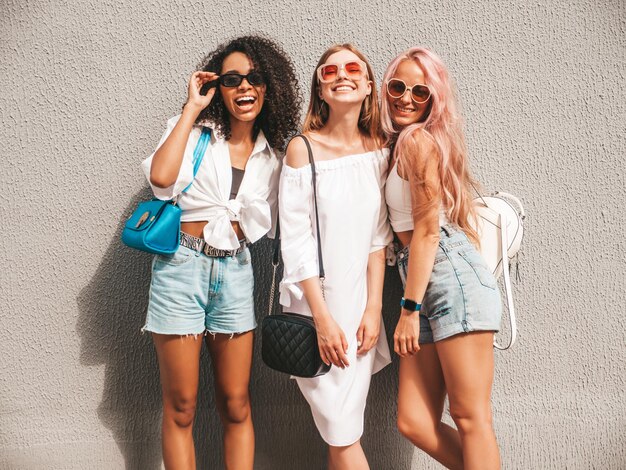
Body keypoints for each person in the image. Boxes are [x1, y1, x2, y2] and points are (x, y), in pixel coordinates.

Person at [140, 35, 300, 470]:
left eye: (254, 78)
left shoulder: (278, 156)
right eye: (232, 79)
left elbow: (298, 220)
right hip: (181, 267)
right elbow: (160, 180)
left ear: (269, 87)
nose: (244, 87)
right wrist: (192, 106)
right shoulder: (195, 133)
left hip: (237, 271)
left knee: (236, 404)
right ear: (219, 87)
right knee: (182, 406)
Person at [381, 46, 502, 470]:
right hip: (422, 276)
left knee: (470, 418)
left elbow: (429, 231)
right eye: (398, 86)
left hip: (449, 279)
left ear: (434, 100)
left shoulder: (417, 142)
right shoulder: (398, 143)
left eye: (421, 91)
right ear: (386, 88)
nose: (406, 97)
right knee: (414, 421)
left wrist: (409, 309)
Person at [278, 44, 392, 470]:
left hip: (361, 309)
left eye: (352, 69)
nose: (341, 75)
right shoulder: (301, 150)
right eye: (330, 71)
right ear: (320, 89)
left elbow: (378, 238)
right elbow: (296, 243)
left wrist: (375, 309)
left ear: (367, 86)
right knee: (342, 431)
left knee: (342, 429)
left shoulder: (378, 151)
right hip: (317, 310)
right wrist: (322, 320)